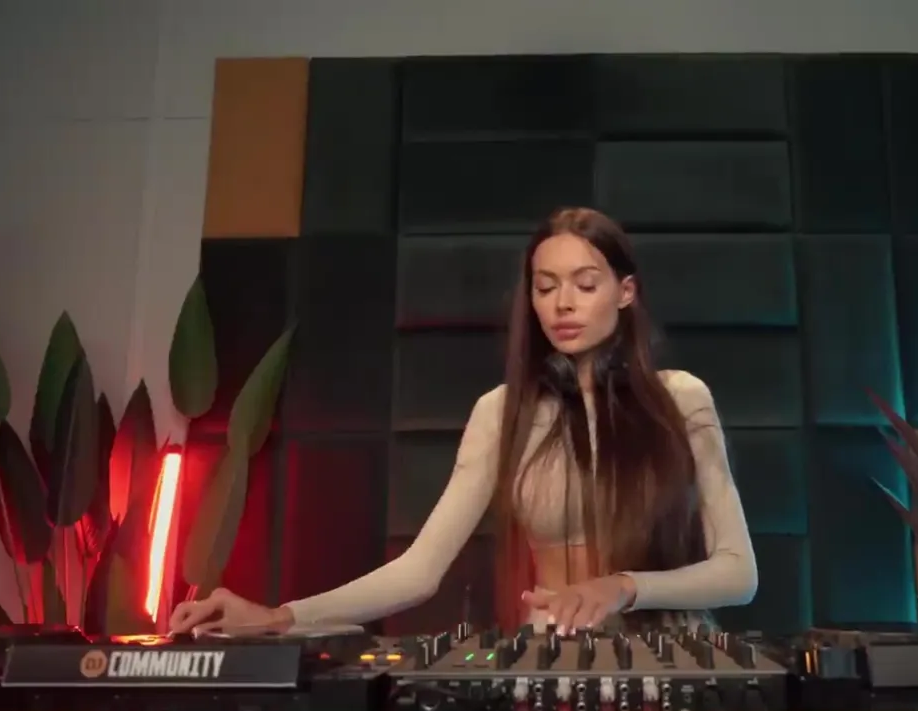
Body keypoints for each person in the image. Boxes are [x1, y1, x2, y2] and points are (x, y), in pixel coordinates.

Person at [169, 207, 758, 636]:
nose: (563, 303)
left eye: (586, 284)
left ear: (625, 293)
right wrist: (280, 616)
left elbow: (739, 574)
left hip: (671, 650)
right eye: (545, 287)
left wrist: (626, 586)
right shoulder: (500, 412)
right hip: (557, 652)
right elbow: (419, 571)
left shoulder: (682, 398)